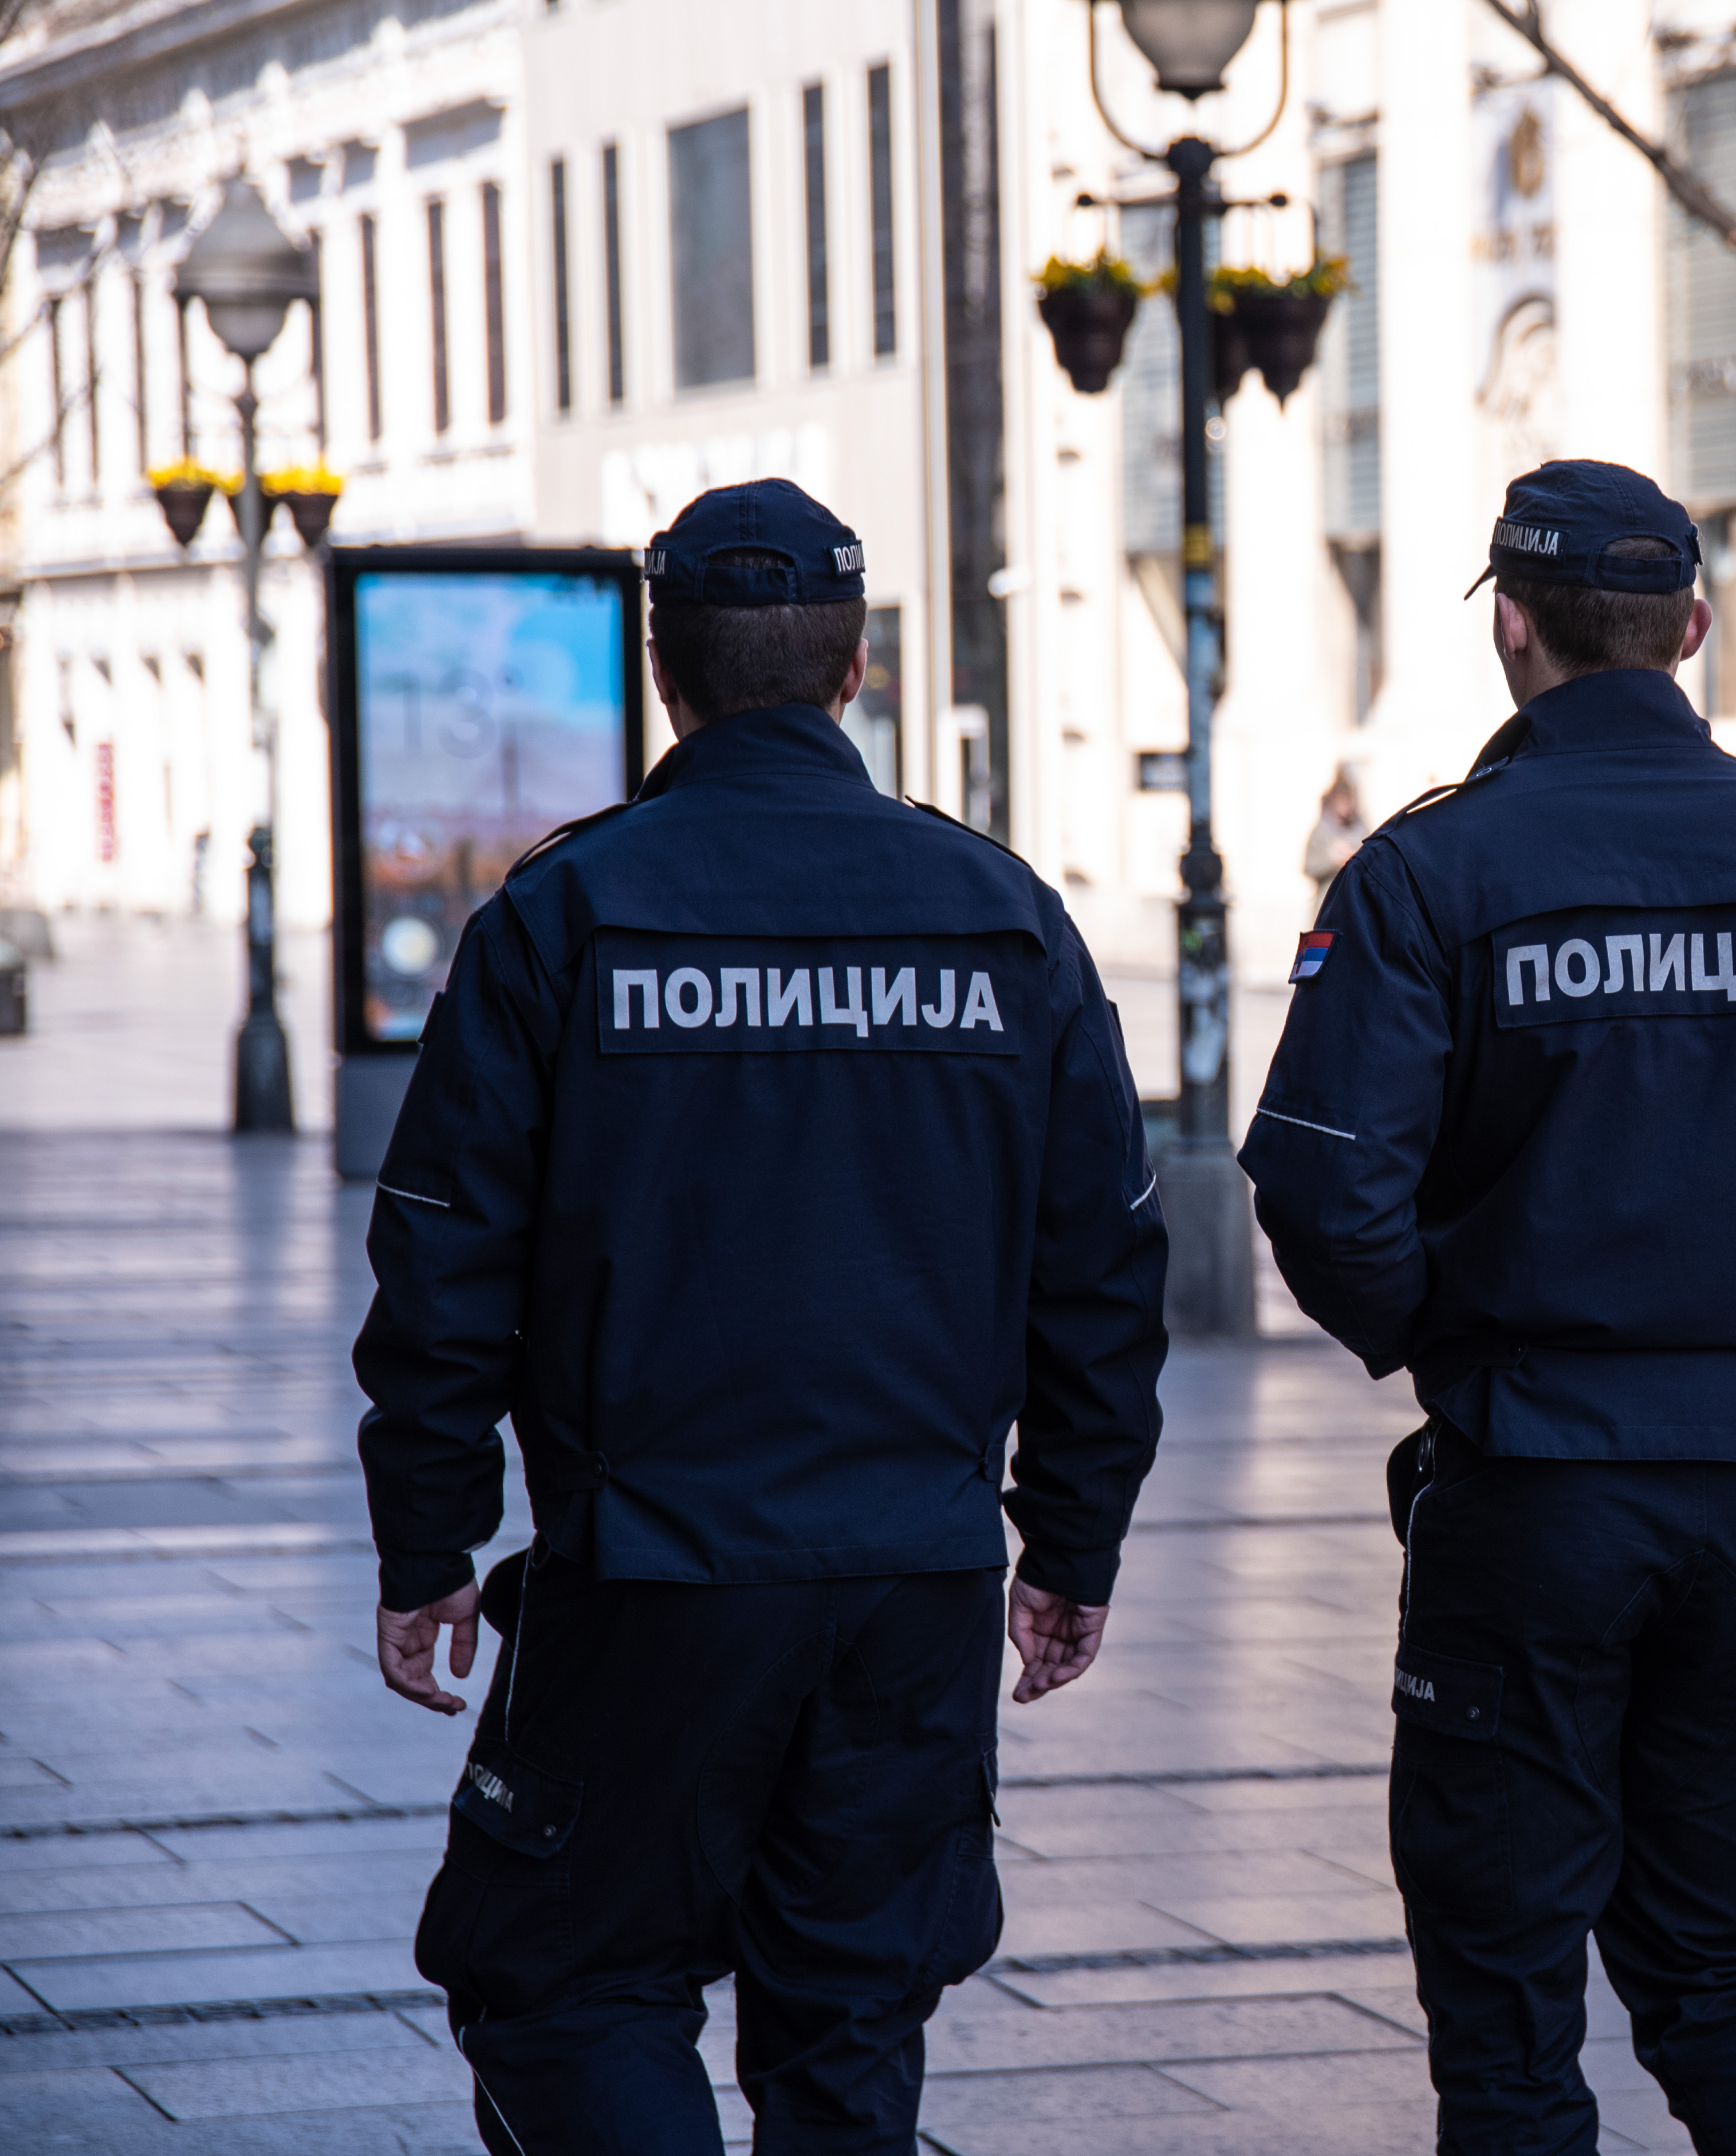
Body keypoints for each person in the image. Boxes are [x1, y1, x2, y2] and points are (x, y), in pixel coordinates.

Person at [1241, 459, 1736, 2156]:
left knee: (1507, 1980)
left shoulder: (1430, 873)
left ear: (1511, 631)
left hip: (1532, 1475)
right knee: (1714, 1953)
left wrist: (1448, 1332)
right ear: (1689, 628)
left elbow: (1323, 1186)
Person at [355, 479, 1167, 2156]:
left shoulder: (561, 916)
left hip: (652, 1581)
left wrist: (429, 1535)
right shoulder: (1005, 917)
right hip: (913, 1584)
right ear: (856, 668)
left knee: (565, 1982)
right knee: (853, 2015)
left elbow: (445, 1261)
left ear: (664, 675)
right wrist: (1066, 1546)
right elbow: (1102, 1272)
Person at [1304, 768, 1366, 920]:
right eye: (1341, 802)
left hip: (1355, 907)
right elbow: (1308, 868)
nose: (1345, 807)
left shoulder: (1361, 829)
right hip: (1327, 906)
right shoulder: (1321, 831)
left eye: (1348, 802)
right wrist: (1332, 859)